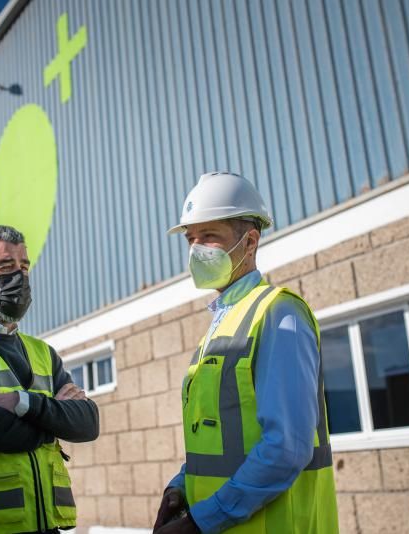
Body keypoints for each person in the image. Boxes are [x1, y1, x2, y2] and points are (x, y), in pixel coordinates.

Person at [153, 172, 338, 533]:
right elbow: (218, 436)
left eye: (209, 237)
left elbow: (286, 448)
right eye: (191, 239)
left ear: (249, 242)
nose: (195, 250)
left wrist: (202, 521)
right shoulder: (222, 324)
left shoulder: (278, 314)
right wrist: (180, 486)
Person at [0, 224, 100, 533]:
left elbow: (88, 423)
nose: (19, 278)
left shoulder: (43, 353)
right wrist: (52, 420)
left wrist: (22, 403)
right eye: (6, 268)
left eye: (24, 267)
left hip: (49, 526)